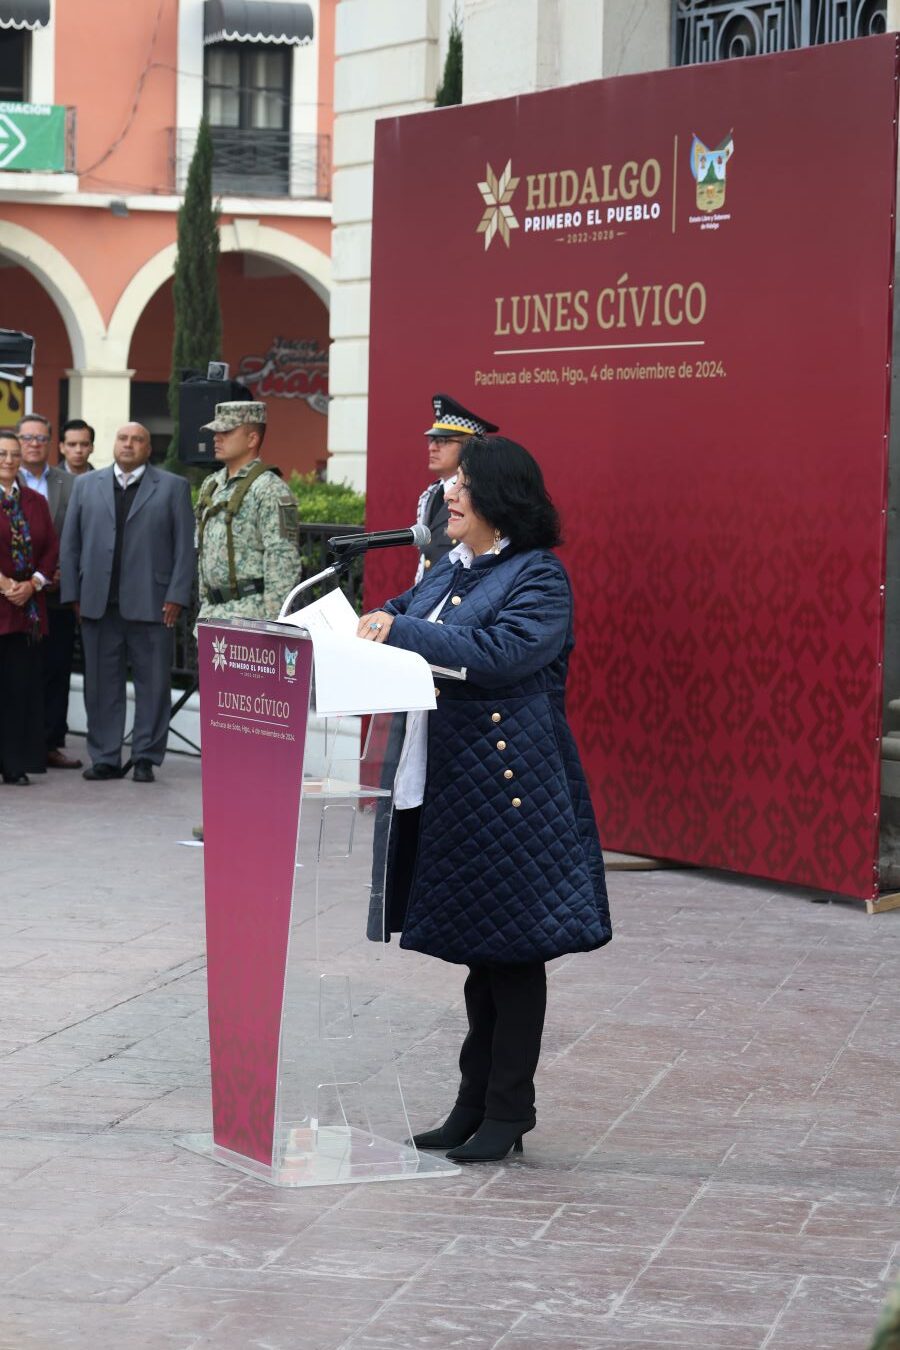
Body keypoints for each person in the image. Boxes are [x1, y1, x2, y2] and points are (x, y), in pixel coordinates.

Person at [358, 435, 611, 1163]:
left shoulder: (540, 578)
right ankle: (472, 1106)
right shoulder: (447, 571)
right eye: (451, 484)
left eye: (464, 484)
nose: (449, 495)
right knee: (481, 958)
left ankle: (509, 1111)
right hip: (453, 786)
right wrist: (368, 623)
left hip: (513, 793)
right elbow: (396, 611)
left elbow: (502, 656)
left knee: (513, 956)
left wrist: (398, 628)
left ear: (502, 498)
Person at [60, 422, 195, 783]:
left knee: (153, 684)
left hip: (154, 603)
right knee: (100, 685)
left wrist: (177, 596)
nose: (129, 444)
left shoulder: (173, 487)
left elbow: (185, 548)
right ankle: (104, 757)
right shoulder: (86, 486)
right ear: (114, 444)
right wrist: (73, 594)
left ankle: (145, 757)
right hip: (97, 604)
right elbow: (70, 544)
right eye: (123, 438)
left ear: (149, 449)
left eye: (138, 440)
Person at [195, 401, 300, 625]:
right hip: (210, 616)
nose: (216, 437)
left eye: (227, 431)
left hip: (251, 618)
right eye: (216, 432)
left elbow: (283, 561)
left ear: (252, 439)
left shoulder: (270, 488)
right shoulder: (211, 484)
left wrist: (273, 624)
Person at [16, 412, 81, 769]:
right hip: (11, 595)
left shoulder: (68, 483)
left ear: (50, 443)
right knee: (18, 668)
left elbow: (75, 536)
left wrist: (58, 574)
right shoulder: (6, 479)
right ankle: (18, 741)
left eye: (41, 438)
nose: (33, 445)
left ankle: (51, 742)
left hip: (55, 593)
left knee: (56, 669)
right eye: (27, 438)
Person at [0, 430, 58, 785]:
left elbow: (51, 547)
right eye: (1, 454)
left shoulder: (36, 501)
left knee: (20, 689)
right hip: (4, 599)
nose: (8, 461)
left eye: (13, 455)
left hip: (27, 611)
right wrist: (7, 586)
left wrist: (32, 583)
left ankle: (15, 763)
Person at [414, 393, 499, 582]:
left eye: (444, 441)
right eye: (432, 440)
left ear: (471, 446)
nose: (432, 448)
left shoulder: (482, 494)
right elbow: (425, 560)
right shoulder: (430, 495)